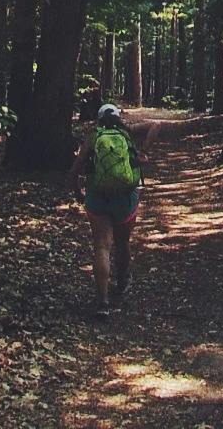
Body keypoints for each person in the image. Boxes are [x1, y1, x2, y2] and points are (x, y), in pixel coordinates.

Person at [70, 103, 156, 315]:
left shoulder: (94, 136)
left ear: (99, 118)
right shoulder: (127, 135)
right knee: (122, 242)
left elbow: (76, 169)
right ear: (118, 117)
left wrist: (77, 191)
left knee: (101, 246)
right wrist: (144, 151)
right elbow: (155, 126)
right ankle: (123, 282)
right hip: (125, 198)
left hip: (97, 197)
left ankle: (103, 301)